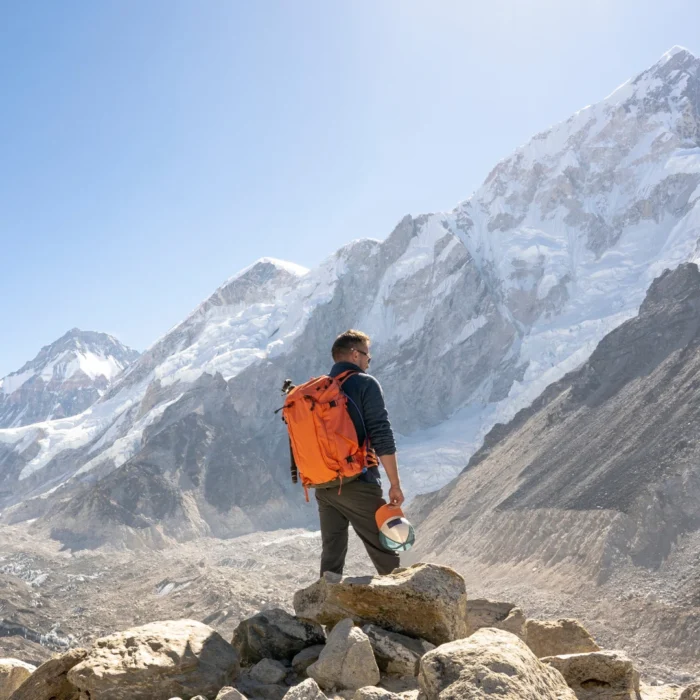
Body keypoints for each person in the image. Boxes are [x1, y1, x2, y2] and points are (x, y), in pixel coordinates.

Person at [315, 329, 404, 577]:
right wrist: (395, 484)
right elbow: (381, 434)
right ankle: (411, 611)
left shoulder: (318, 389)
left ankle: (326, 612)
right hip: (357, 482)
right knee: (385, 551)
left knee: (331, 558)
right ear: (355, 355)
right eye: (367, 356)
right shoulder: (365, 383)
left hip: (324, 485)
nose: (368, 361)